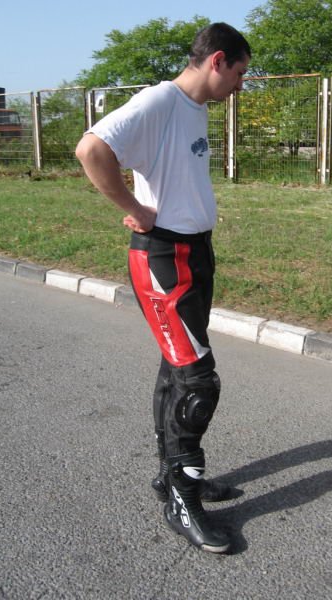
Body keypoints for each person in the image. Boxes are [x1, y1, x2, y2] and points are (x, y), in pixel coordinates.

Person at [76, 22, 251, 554]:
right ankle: (182, 497)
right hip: (164, 260)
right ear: (217, 61)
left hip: (194, 252)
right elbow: (91, 149)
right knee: (199, 384)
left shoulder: (194, 108)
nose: (240, 85)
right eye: (239, 73)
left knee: (176, 371)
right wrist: (133, 207)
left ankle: (171, 475)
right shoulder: (159, 100)